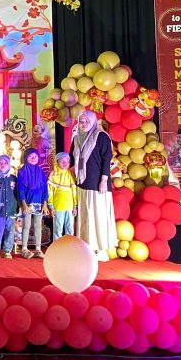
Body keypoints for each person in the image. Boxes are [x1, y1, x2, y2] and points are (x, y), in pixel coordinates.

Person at [70, 111, 119, 262]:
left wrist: (104, 180)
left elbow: (106, 159)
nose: (83, 124)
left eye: (86, 121)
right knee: (85, 216)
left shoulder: (101, 136)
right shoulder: (77, 137)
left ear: (93, 121)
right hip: (82, 182)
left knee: (98, 216)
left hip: (97, 184)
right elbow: (71, 158)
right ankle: (86, 247)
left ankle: (101, 248)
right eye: (81, 121)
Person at [17, 148, 48, 259]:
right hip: (27, 202)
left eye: (35, 156)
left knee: (38, 226)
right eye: (30, 156)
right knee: (26, 226)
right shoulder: (21, 172)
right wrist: (23, 203)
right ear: (26, 158)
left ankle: (38, 249)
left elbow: (45, 188)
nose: (33, 158)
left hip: (39, 202)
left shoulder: (41, 171)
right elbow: (20, 188)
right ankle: (24, 249)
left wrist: (45, 203)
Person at [47, 152, 78, 241]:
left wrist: (75, 206)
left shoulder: (71, 174)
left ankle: (69, 245)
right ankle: (57, 247)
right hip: (58, 206)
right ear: (57, 162)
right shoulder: (53, 175)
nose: (65, 163)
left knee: (70, 228)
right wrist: (51, 206)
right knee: (58, 228)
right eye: (62, 161)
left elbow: (74, 192)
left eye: (67, 161)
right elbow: (50, 192)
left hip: (70, 207)